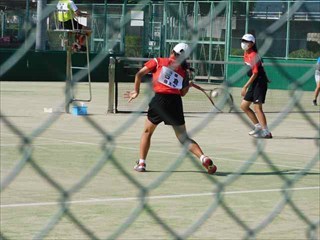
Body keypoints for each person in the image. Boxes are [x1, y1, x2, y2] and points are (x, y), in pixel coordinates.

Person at [125, 43, 217, 174]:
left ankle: (141, 163)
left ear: (172, 51)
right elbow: (182, 93)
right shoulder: (184, 71)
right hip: (175, 103)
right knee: (183, 138)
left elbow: (139, 74)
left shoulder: (158, 61)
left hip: (159, 101)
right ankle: (203, 157)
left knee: (147, 132)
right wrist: (188, 85)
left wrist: (136, 91)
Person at [240, 34, 272, 139]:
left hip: (259, 82)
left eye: (246, 41)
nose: (244, 43)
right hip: (254, 82)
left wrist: (245, 86)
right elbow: (260, 67)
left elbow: (256, 73)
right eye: (243, 40)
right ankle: (258, 127)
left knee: (257, 107)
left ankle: (266, 132)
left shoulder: (254, 55)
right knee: (244, 106)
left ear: (252, 43)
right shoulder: (245, 53)